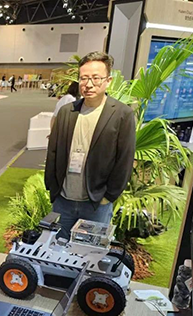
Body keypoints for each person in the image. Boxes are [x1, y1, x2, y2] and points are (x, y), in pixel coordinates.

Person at [45, 51, 136, 239]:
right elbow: (53, 151)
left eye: (96, 78)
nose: (89, 84)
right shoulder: (67, 112)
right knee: (57, 249)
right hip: (63, 200)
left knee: (90, 251)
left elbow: (124, 160)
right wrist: (53, 187)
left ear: (108, 81)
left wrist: (108, 197)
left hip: (96, 203)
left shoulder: (121, 114)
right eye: (84, 78)